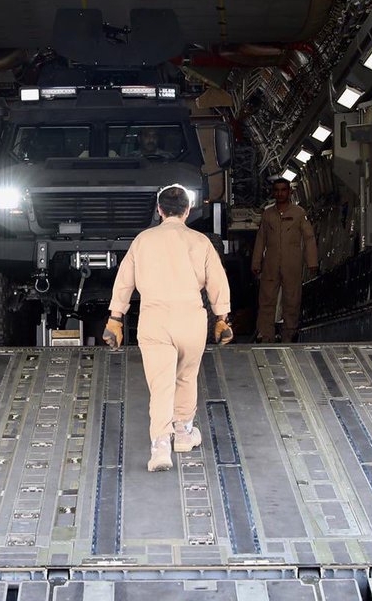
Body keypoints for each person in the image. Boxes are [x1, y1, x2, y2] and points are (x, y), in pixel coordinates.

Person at [105, 184, 232, 472]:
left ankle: (161, 447)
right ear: (188, 210)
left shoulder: (143, 240)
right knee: (186, 377)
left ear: (159, 210)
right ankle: (184, 433)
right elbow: (217, 282)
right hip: (191, 319)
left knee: (161, 384)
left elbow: (124, 281)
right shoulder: (201, 242)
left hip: (155, 319)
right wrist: (222, 317)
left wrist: (115, 318)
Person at [251, 178, 318, 343]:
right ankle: (266, 335)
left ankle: (289, 334)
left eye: (283, 190)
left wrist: (312, 262)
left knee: (292, 299)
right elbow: (261, 240)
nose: (280, 193)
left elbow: (309, 238)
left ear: (289, 192)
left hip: (292, 264)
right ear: (273, 193)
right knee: (267, 299)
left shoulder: (299, 213)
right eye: (277, 190)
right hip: (271, 264)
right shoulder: (267, 215)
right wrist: (256, 262)